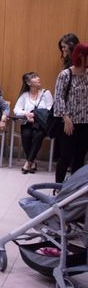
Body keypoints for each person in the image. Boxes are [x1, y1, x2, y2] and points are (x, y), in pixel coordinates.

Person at [53, 43, 88, 184]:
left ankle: (73, 188)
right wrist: (66, 117)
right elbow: (59, 97)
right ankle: (58, 187)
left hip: (85, 122)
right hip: (69, 122)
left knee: (80, 157)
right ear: (80, 57)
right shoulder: (65, 75)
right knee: (65, 157)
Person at [13, 72, 53, 173]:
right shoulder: (24, 95)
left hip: (42, 125)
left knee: (38, 136)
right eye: (34, 77)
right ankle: (32, 162)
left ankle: (28, 163)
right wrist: (26, 114)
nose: (38, 78)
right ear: (28, 82)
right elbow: (16, 110)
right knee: (26, 135)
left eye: (38, 76)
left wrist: (35, 116)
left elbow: (50, 109)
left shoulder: (46, 93)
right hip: (28, 123)